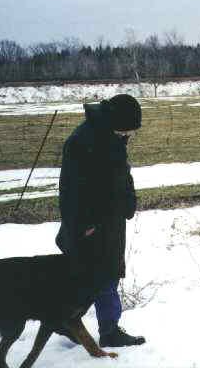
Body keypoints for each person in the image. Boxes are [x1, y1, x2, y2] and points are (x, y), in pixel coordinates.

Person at [56, 94, 146, 347]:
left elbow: (121, 175)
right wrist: (84, 225)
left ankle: (99, 328)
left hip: (111, 221)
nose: (129, 136)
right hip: (90, 225)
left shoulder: (111, 137)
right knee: (95, 277)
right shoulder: (82, 142)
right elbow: (71, 192)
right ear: (115, 122)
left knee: (106, 276)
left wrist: (129, 202)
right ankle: (79, 324)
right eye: (126, 130)